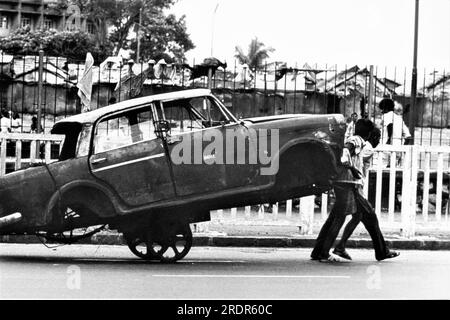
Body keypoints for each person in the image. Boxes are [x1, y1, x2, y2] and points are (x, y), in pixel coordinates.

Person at [311, 119, 400, 262]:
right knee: (341, 218)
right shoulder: (357, 140)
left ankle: (320, 251)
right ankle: (324, 252)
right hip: (348, 183)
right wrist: (352, 168)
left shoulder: (357, 140)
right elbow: (345, 151)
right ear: (370, 133)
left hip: (348, 183)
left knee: (338, 217)